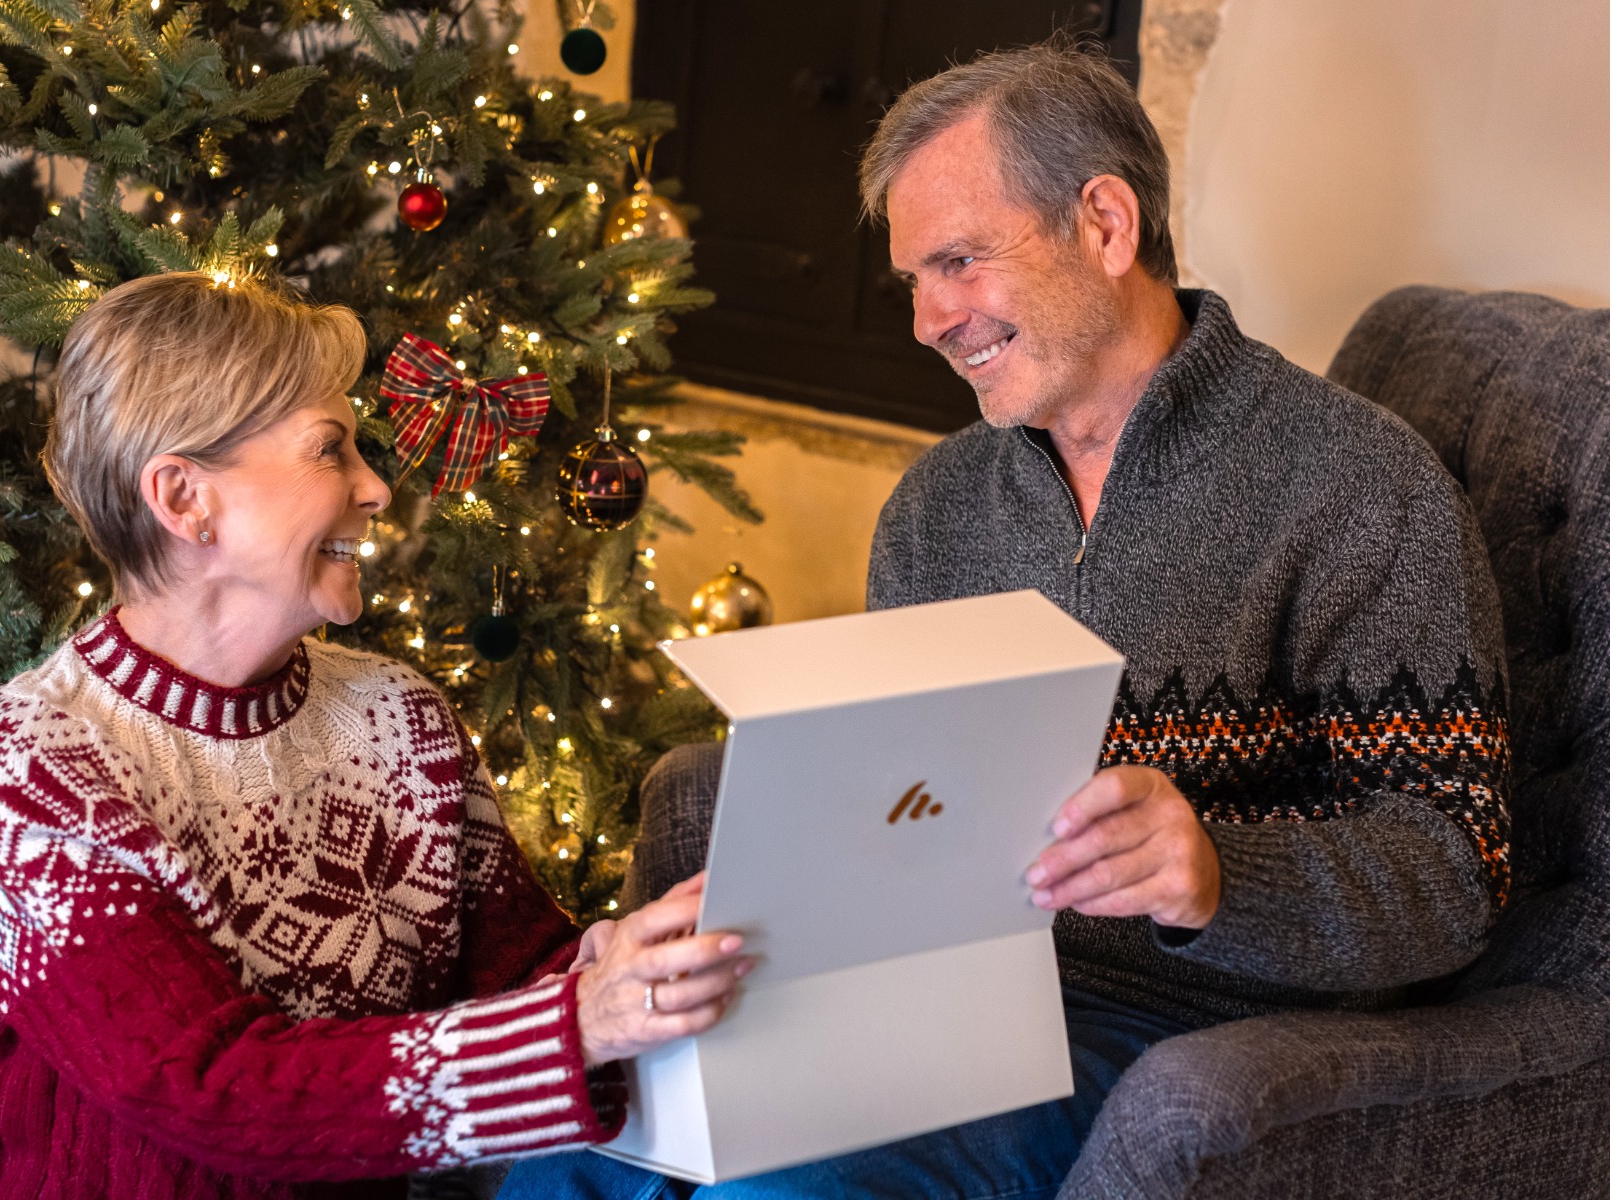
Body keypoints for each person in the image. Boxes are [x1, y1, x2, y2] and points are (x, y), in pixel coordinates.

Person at [501, 40, 1510, 1200]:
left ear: (1104, 222)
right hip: (927, 1008)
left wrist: (1215, 873)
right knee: (573, 1146)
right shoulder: (937, 509)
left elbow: (1453, 872)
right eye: (913, 282)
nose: (931, 319)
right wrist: (764, 901)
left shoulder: (1356, 487)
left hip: (1171, 1032)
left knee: (776, 1194)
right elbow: (895, 819)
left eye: (961, 261)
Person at [0, 272, 750, 1199]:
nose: (376, 490)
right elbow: (213, 1092)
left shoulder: (400, 717)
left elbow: (518, 975)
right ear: (186, 499)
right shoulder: (36, 763)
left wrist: (627, 967)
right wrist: (583, 1021)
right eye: (329, 451)